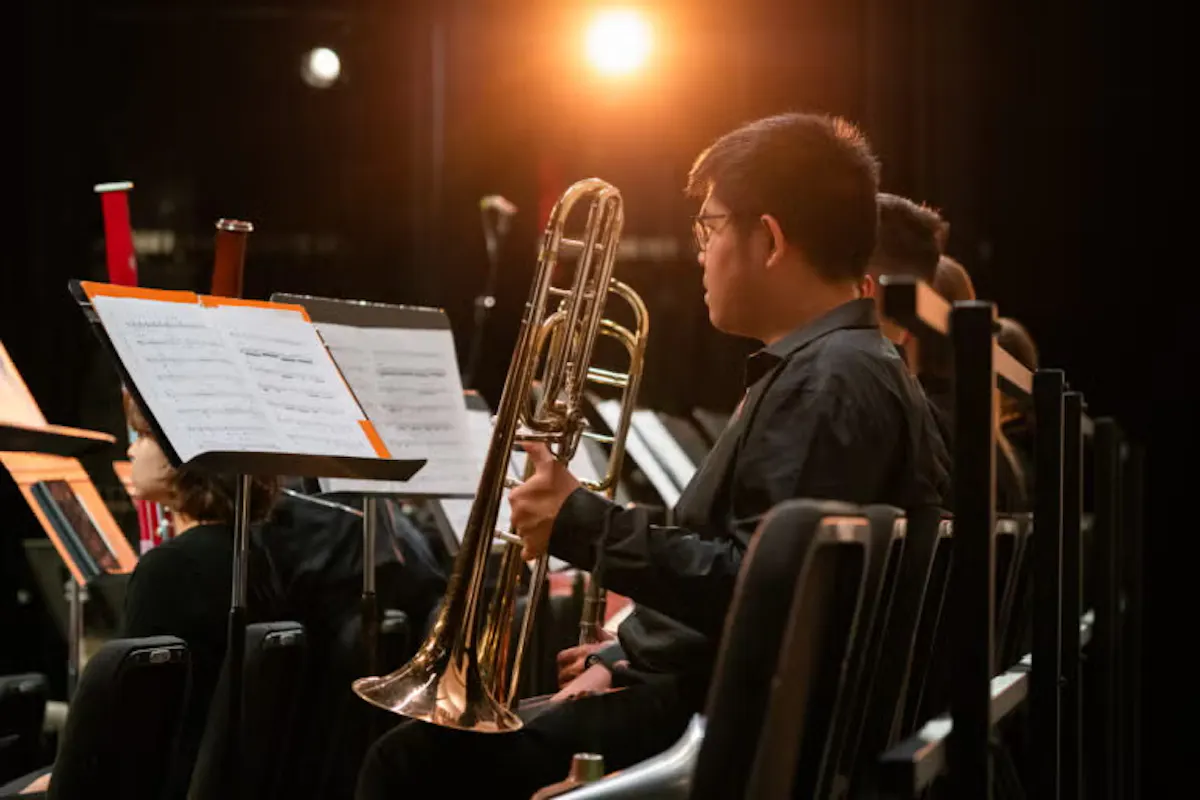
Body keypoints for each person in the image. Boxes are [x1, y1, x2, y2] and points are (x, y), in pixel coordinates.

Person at [356, 111, 950, 800]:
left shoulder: (829, 382)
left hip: (726, 734)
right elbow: (754, 570)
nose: (699, 250)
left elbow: (757, 593)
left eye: (709, 226)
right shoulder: (849, 367)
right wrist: (627, 651)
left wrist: (580, 521)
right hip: (736, 710)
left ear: (768, 238)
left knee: (408, 763)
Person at [119, 389, 280, 799]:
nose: (131, 450)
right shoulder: (256, 555)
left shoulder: (169, 568)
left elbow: (132, 718)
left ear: (183, 451)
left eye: (144, 437)